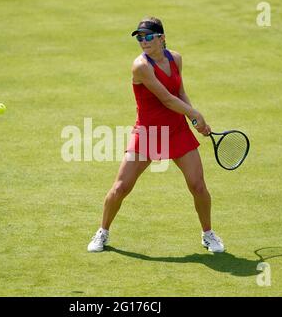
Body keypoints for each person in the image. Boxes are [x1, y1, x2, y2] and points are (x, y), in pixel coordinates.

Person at [87, 17, 224, 253]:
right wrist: (196, 114)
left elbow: (179, 92)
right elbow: (167, 99)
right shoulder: (141, 66)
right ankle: (103, 232)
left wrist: (193, 120)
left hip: (177, 131)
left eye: (148, 36)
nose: (143, 41)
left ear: (162, 38)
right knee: (121, 187)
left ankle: (208, 234)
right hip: (148, 133)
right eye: (139, 38)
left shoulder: (176, 58)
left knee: (198, 186)